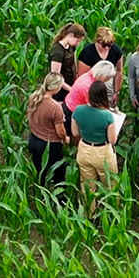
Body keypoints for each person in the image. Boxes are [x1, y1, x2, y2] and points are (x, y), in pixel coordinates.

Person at [70, 81, 119, 218]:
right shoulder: (107, 116)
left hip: (84, 149)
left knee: (87, 187)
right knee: (110, 184)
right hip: (102, 152)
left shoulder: (78, 110)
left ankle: (89, 215)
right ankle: (111, 214)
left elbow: (74, 133)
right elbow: (112, 140)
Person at [27, 72, 71, 191]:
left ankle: (39, 195)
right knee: (58, 174)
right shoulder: (55, 107)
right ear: (56, 88)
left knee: (39, 172)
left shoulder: (34, 97)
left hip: (34, 140)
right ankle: (61, 200)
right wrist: (65, 138)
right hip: (49, 146)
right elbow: (60, 130)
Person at [61, 61, 117, 143]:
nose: (107, 81)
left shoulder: (88, 76)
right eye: (107, 78)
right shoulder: (89, 87)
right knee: (76, 137)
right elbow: (93, 108)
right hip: (71, 111)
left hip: (70, 106)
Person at [77, 27, 124, 104]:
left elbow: (119, 71)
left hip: (109, 84)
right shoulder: (87, 53)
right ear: (97, 41)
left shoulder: (116, 50)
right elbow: (82, 77)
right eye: (103, 45)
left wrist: (116, 92)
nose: (106, 48)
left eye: (109, 45)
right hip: (92, 85)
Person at [47, 23, 87, 101]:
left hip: (70, 86)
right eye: (77, 41)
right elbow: (55, 76)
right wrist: (70, 89)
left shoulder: (71, 47)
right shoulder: (57, 51)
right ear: (71, 35)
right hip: (60, 91)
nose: (78, 44)